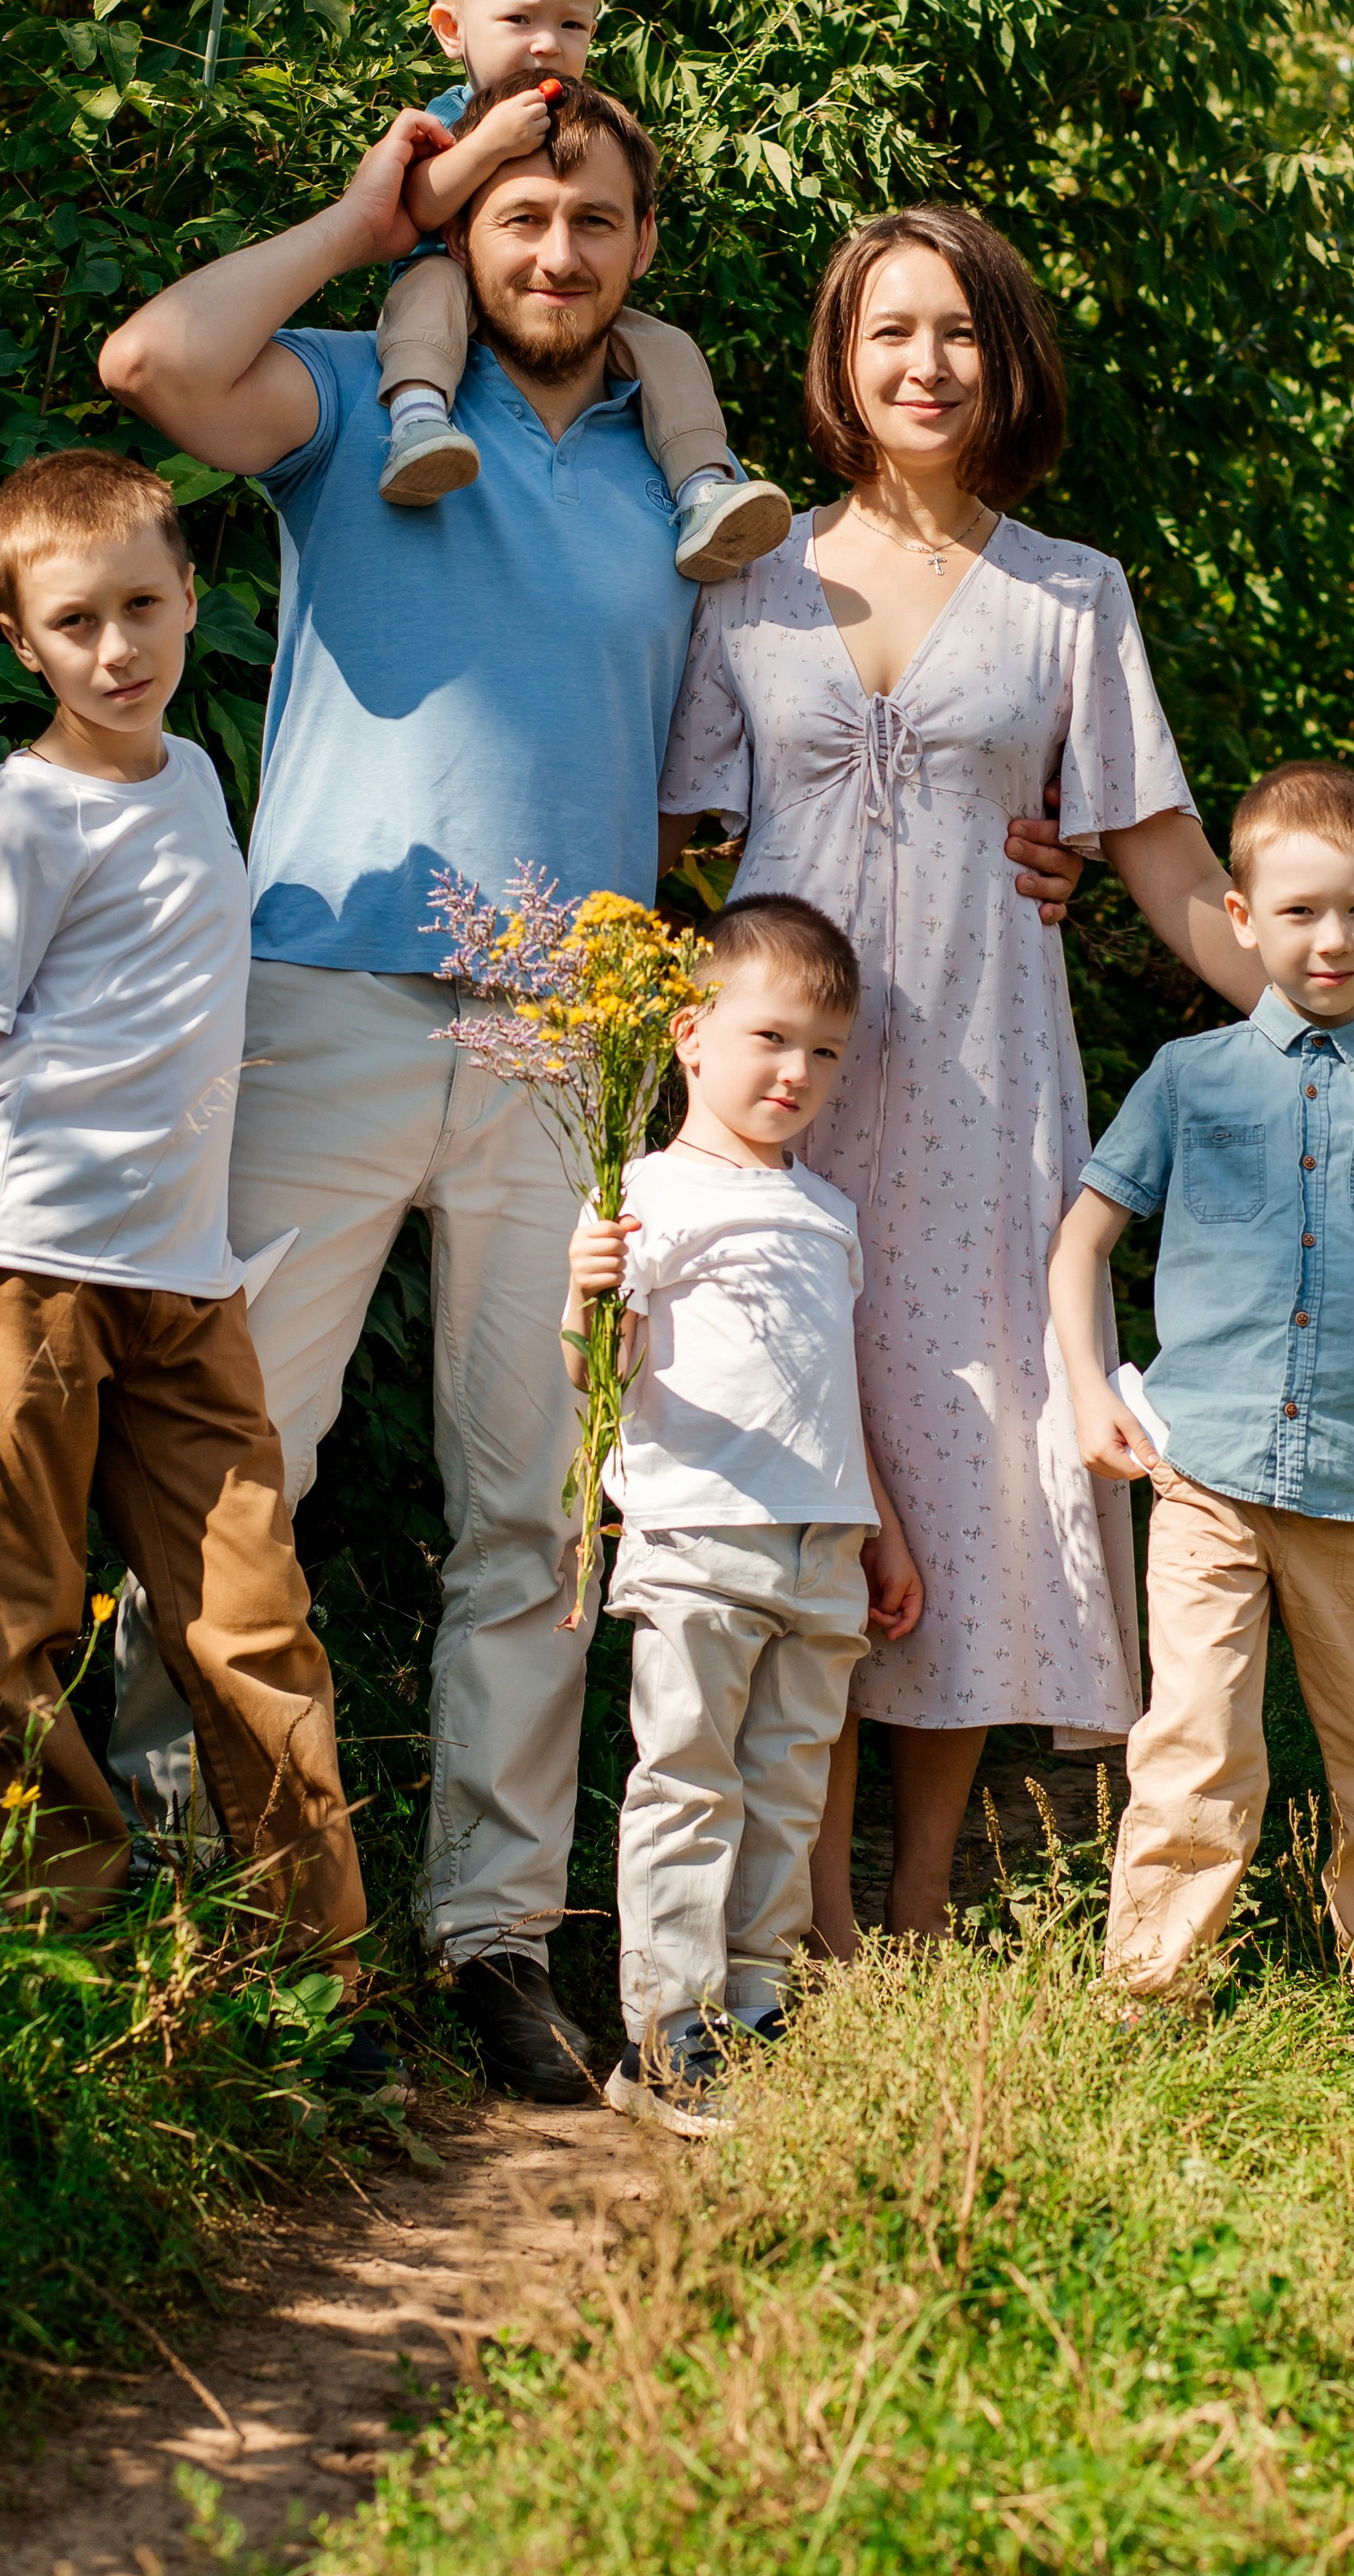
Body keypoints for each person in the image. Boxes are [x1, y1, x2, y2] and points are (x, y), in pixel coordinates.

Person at [98, 109, 1088, 2096]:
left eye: (597, 221)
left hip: (570, 1041)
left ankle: (490, 1935)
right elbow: (149, 364)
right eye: (521, 217)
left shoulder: (680, 483)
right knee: (236, 1470)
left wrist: (1018, 846)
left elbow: (786, 747)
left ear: (643, 247)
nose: (556, 252)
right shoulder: (358, 406)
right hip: (325, 996)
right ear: (463, 234)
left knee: (539, 1517)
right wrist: (362, 220)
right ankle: (179, 1903)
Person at [657, 207, 1354, 1950]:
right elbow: (674, 839)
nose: (925, 364)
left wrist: (1342, 1026)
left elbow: (1167, 859)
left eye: (959, 329)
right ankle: (805, 1905)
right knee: (802, 1435)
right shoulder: (743, 573)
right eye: (889, 330)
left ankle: (911, 1895)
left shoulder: (1068, 593)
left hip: (984, 1073)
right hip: (785, 1084)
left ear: (1008, 357)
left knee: (970, 1440)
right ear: (839, 360)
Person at [0, 451, 383, 2064]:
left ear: (189, 601)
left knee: (252, 1614)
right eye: (75, 623)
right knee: (17, 1620)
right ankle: (55, 1963)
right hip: (22, 1267)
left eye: (142, 609)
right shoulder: (21, 824)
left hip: (184, 1279)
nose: (117, 650)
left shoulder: (192, 776)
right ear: (19, 640)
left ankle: (318, 1984)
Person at [1048, 762, 1354, 2001]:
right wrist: (1089, 1390)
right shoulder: (1188, 1079)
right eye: (1299, 911)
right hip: (1204, 1477)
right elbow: (1080, 1244)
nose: (1332, 939)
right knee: (1192, 1744)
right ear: (1243, 918)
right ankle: (1152, 1993)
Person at [563, 895, 923, 2133]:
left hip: (821, 1545)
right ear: (688, 1036)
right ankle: (664, 2035)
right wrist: (582, 1299)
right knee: (688, 1781)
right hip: (698, 1536)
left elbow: (836, 1391)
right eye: (770, 1038)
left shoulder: (829, 1212)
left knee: (787, 1789)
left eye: (825, 1051)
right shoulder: (645, 1193)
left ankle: (757, 2012)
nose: (797, 1072)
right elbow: (593, 1376)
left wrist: (879, 1530)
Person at [372, 0, 789, 580]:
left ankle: (701, 486)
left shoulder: (584, 119)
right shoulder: (449, 116)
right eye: (519, 18)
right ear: (451, 30)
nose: (547, 43)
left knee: (665, 344)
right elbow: (416, 206)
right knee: (432, 282)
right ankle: (418, 422)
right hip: (446, 288)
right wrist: (486, 145)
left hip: (550, 312)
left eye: (573, 24)